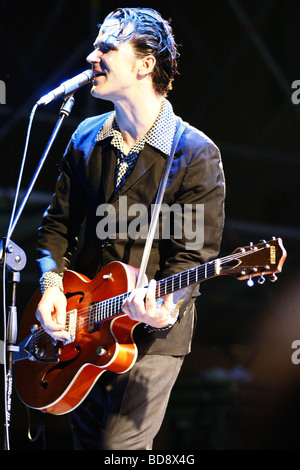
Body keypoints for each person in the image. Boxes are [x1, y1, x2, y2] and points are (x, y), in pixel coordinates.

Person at [35, 7, 225, 450]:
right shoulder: (85, 136)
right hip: (82, 330)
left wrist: (167, 306)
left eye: (106, 47)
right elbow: (56, 227)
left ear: (145, 64)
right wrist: (50, 286)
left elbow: (193, 257)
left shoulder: (196, 153)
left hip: (150, 340)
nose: (90, 57)